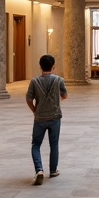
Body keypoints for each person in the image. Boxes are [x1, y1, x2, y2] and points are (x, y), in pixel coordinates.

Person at [25, 54, 67, 185]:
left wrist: (35, 111)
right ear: (53, 66)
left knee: (36, 144)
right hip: (55, 117)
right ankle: (53, 170)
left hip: (40, 118)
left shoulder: (34, 81)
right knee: (54, 144)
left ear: (40, 66)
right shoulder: (59, 80)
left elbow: (28, 99)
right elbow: (64, 95)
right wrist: (58, 101)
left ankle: (39, 170)